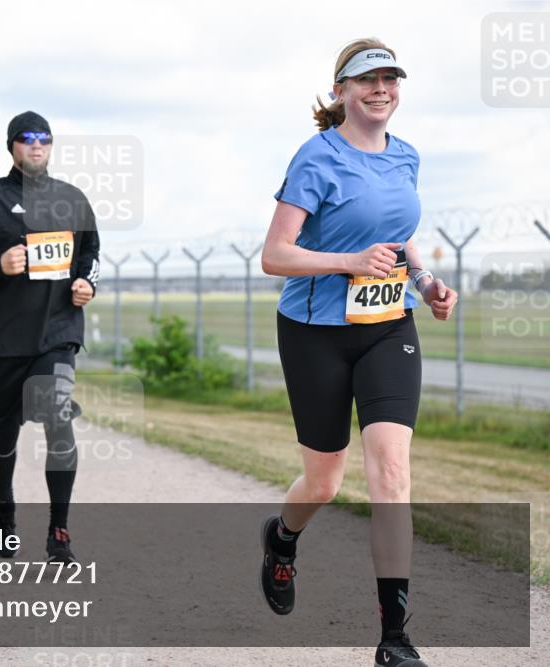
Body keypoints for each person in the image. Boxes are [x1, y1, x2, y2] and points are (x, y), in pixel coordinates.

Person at [259, 39, 458, 667]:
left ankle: (395, 640)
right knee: (324, 482)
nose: (381, 90)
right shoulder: (316, 156)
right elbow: (274, 256)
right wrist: (348, 261)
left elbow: (399, 238)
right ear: (341, 90)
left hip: (388, 326)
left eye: (390, 79)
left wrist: (424, 282)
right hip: (314, 332)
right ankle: (282, 539)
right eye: (368, 80)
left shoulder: (407, 157)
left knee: (392, 474)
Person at [0, 111, 100, 563]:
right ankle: (5, 507)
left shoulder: (72, 199)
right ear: (11, 145)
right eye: (27, 138)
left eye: (44, 138)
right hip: (4, 339)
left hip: (57, 333)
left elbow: (90, 254)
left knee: (58, 416)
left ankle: (59, 530)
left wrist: (86, 284)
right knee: (4, 429)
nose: (36, 145)